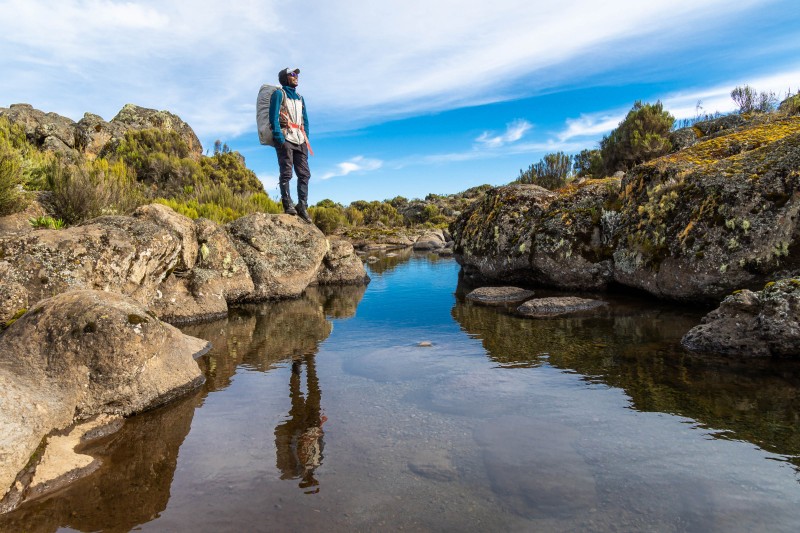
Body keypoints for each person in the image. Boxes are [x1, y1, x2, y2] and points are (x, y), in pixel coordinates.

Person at [270, 67, 313, 223]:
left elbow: (305, 119)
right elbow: (273, 117)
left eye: (296, 75)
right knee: (286, 172)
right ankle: (288, 204)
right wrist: (279, 137)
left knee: (305, 174)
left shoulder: (300, 98)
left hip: (300, 139)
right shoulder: (278, 94)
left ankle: (302, 206)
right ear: (285, 78)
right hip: (285, 137)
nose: (296, 77)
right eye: (292, 75)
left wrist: (305, 134)